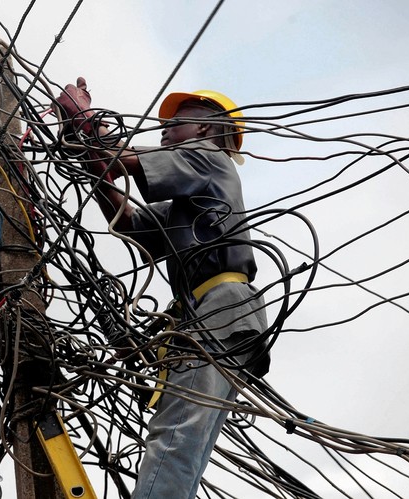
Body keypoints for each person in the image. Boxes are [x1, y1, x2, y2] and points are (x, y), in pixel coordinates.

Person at [56, 78, 271, 499]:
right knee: (185, 440)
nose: (163, 129)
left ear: (207, 130)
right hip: (215, 316)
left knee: (175, 435)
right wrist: (87, 153)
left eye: (175, 123)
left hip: (219, 309)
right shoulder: (186, 203)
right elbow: (128, 221)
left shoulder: (208, 157)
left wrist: (83, 117)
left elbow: (123, 161)